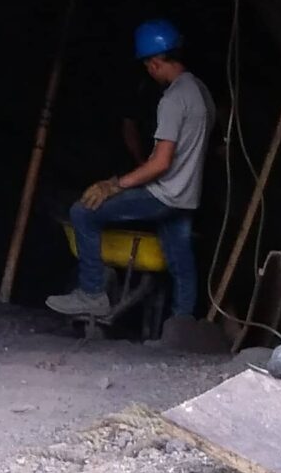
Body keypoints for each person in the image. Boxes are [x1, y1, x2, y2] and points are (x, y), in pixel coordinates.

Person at [46, 19, 212, 323]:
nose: (149, 70)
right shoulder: (200, 91)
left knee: (82, 212)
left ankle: (92, 294)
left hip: (164, 194)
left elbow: (161, 163)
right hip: (186, 196)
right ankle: (182, 324)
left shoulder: (173, 99)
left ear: (156, 61)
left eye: (149, 64)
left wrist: (115, 185)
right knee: (180, 261)